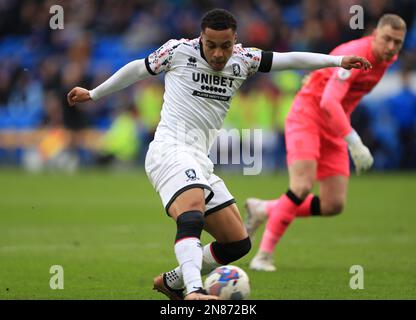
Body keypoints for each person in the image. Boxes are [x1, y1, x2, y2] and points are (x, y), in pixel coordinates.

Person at [67, 8, 370, 300]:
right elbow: (137, 68)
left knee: (237, 243)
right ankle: (194, 290)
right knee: (192, 214)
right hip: (169, 150)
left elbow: (288, 59)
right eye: (210, 45)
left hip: (200, 160)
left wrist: (338, 60)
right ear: (201, 38)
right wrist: (94, 94)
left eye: (224, 46)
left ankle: (173, 282)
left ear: (234, 41)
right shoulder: (177, 51)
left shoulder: (244, 59)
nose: (217, 54)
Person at [246, 14, 406, 272]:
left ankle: (264, 209)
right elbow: (328, 101)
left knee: (334, 204)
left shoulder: (389, 59)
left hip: (334, 126)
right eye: (386, 39)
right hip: (307, 116)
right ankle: (263, 256)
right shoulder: (355, 54)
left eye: (397, 42)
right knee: (301, 186)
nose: (391, 47)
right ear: (374, 34)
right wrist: (354, 141)